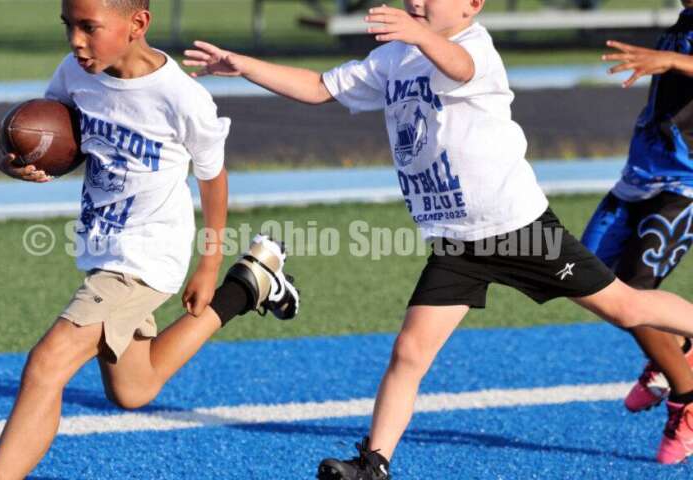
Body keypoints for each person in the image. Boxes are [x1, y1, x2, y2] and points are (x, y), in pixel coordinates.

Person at [184, 0, 693, 477]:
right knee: (409, 352)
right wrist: (245, 65)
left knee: (626, 308)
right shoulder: (394, 58)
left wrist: (419, 36)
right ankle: (373, 463)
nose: (418, 2)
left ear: (473, 3)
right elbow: (319, 86)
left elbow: (458, 66)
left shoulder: (475, 48)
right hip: (456, 241)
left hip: (518, 230)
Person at [0, 0, 299, 478]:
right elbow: (53, 133)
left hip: (144, 256)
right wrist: (18, 159)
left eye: (89, 27)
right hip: (103, 247)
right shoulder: (74, 72)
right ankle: (250, 284)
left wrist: (208, 265)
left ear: (138, 24)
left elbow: (213, 179)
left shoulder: (180, 97)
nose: (75, 40)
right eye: (69, 26)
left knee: (47, 365)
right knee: (134, 389)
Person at [581, 2, 693, 464]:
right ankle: (678, 349)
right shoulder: (684, 21)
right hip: (640, 175)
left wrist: (669, 61)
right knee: (591, 281)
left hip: (686, 182)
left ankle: (686, 397)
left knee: (634, 292)